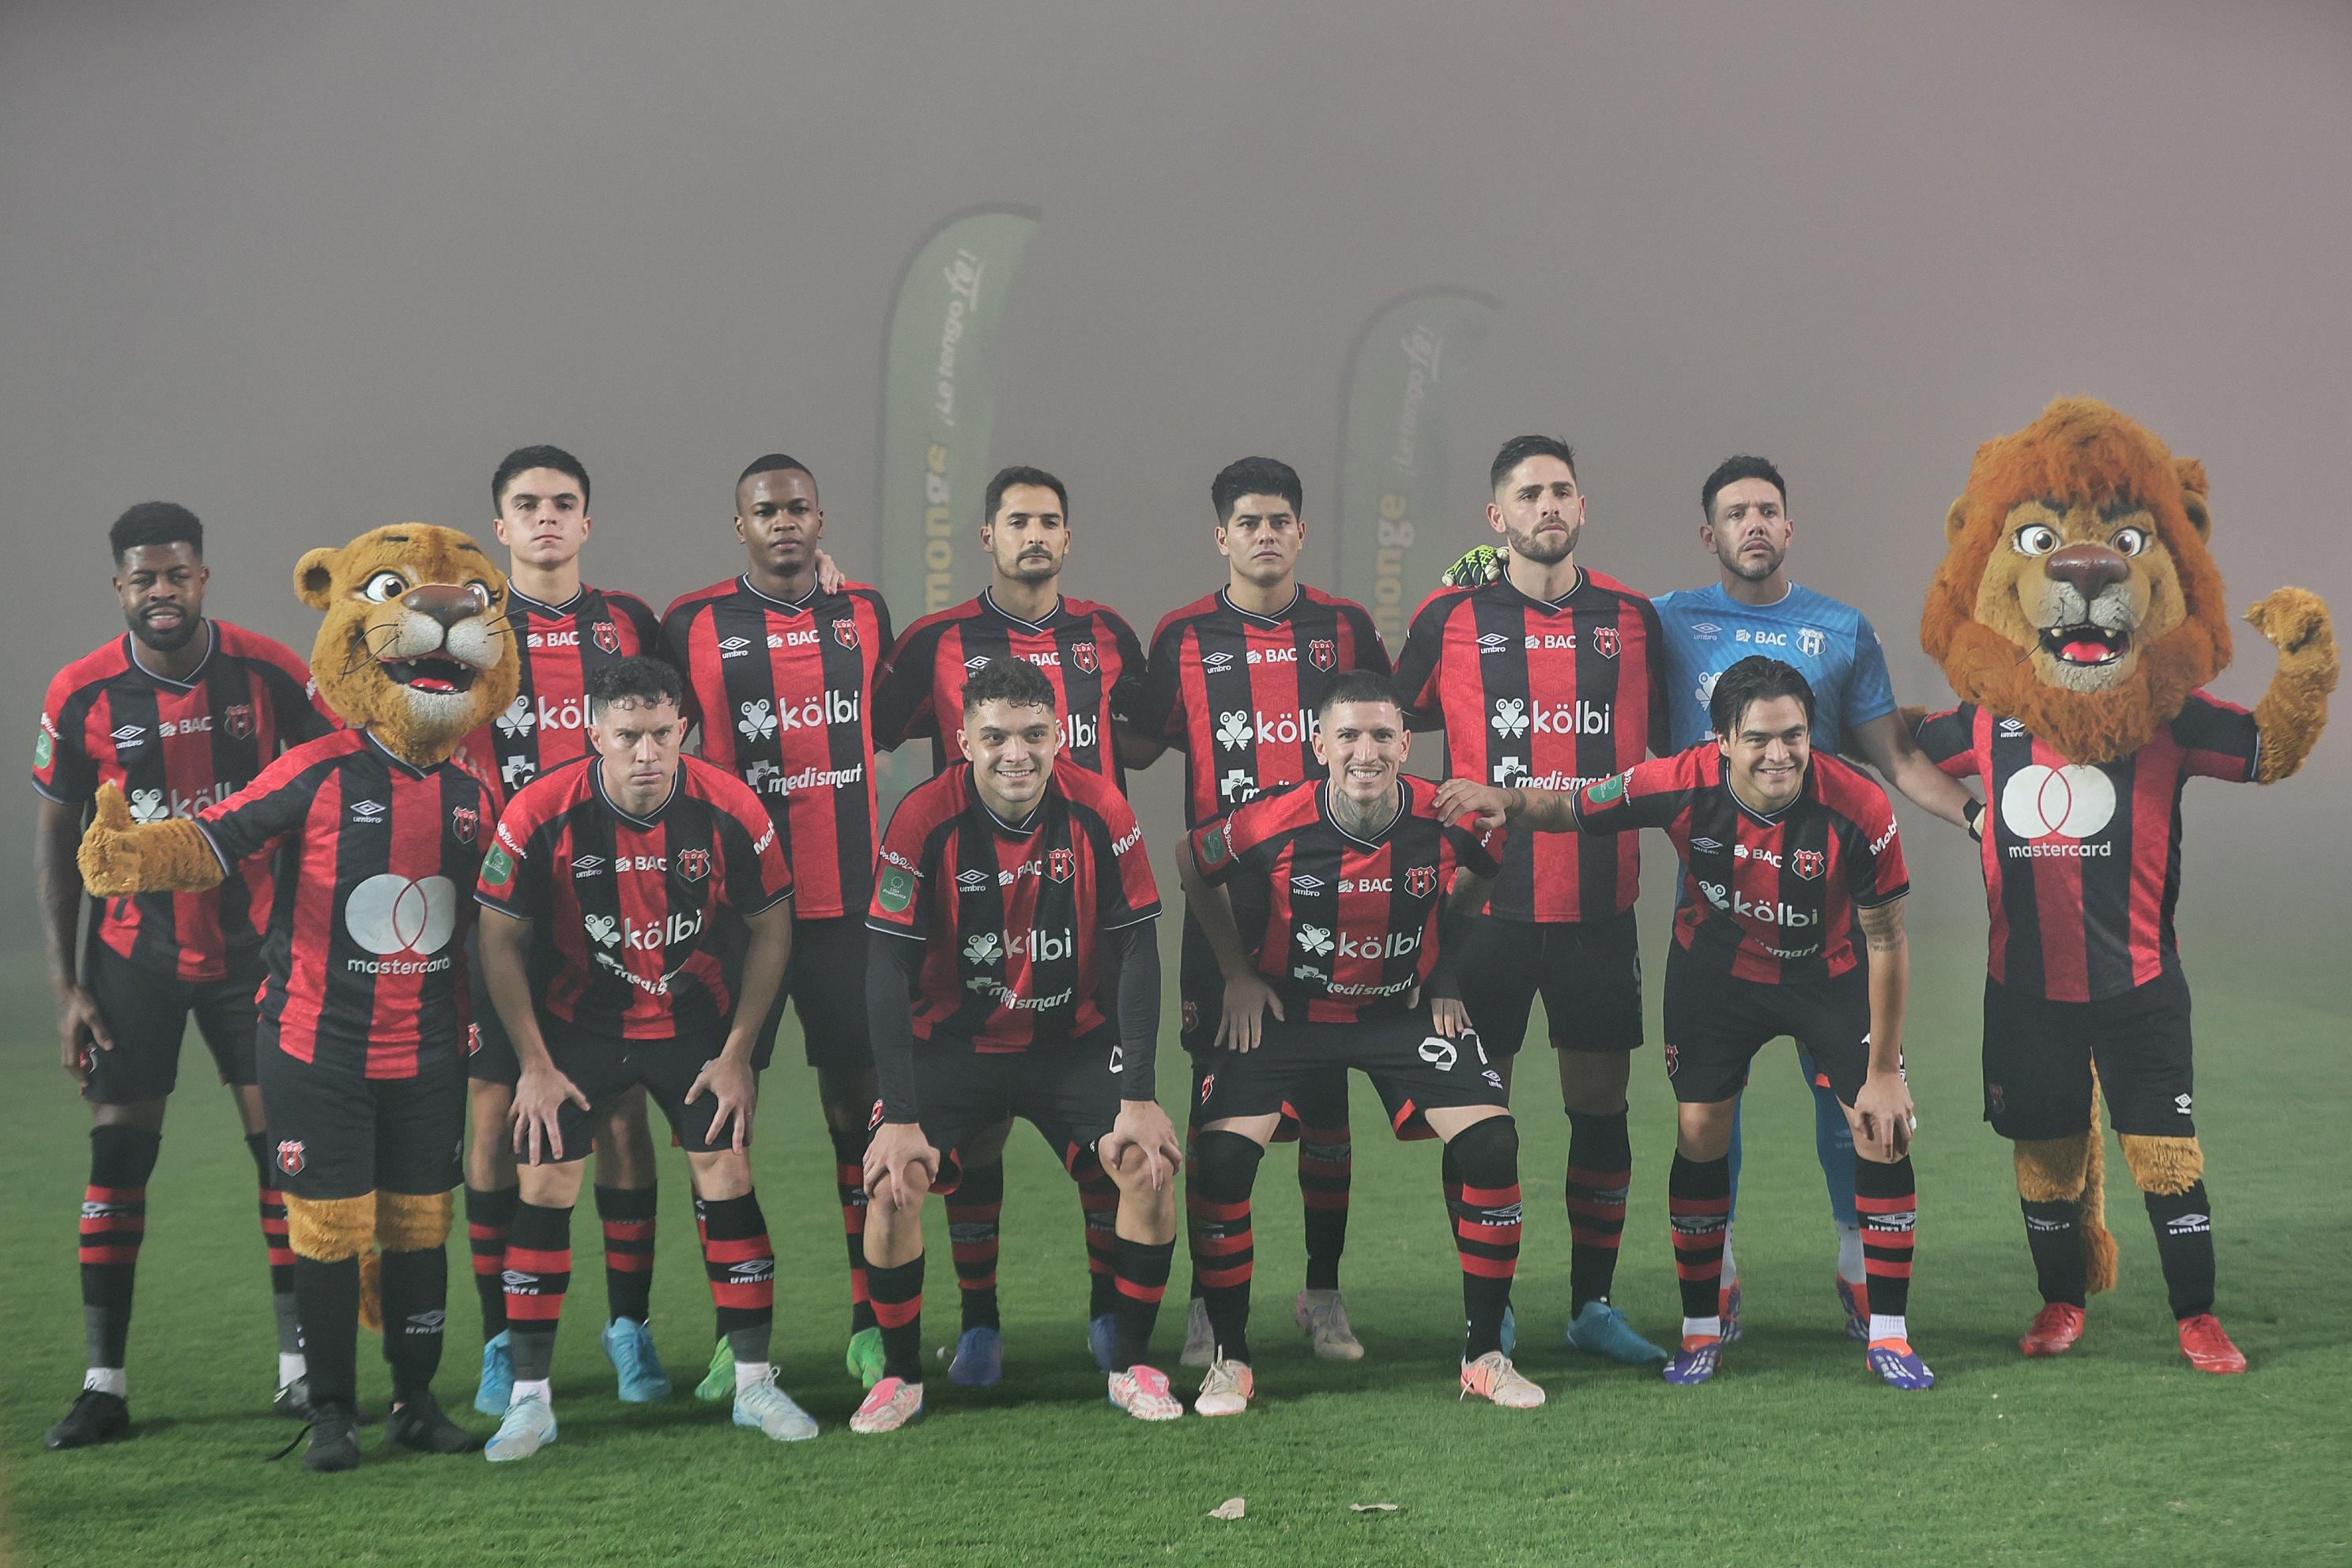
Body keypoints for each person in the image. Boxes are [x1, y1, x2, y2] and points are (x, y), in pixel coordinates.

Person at [1438, 655, 1932, 1389]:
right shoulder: (1678, 780)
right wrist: (1504, 799)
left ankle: (1889, 1334)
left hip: (1828, 976)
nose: (1780, 753)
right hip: (1718, 977)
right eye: (1759, 738)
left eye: (1794, 735)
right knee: (1700, 1131)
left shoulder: (1860, 806)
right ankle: (1702, 1329)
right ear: (1722, 740)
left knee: (1881, 1127)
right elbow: (1574, 806)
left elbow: (1888, 939)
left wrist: (1886, 1072)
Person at [1651, 456, 1975, 1340]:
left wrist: (1979, 816)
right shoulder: (1669, 621)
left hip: (1830, 916)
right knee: (1711, 1104)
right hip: (1716, 903)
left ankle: (1854, 1257)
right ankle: (1713, 1268)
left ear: (1790, 528)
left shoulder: (1840, 628)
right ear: (1709, 534)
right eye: (1735, 512)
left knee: (1855, 1096)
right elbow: (1580, 635)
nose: (1753, 524)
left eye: (1767, 510)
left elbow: (1897, 760)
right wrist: (1495, 577)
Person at [35, 502, 336, 1448]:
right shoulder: (81, 693)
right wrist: (66, 985)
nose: (160, 592)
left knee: (278, 1152)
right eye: (142, 578)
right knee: (120, 1156)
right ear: (119, 586)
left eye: (175, 575)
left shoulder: (270, 672)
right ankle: (104, 1383)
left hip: (253, 953)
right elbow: (55, 838)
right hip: (132, 960)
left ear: (203, 577)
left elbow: (333, 780)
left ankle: (299, 1371)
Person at [1178, 671, 1541, 1413]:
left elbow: (1481, 874)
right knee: (1218, 1158)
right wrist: (1237, 974)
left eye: (1382, 735)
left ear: (1406, 744)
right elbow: (1192, 861)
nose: (1366, 751)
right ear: (1319, 745)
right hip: (1291, 1016)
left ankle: (1484, 1355)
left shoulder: (1451, 818)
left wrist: (1443, 970)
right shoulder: (1272, 820)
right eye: (1348, 735)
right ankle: (1230, 1359)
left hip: (1396, 1014)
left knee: (1493, 1145)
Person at [473, 657, 810, 1459]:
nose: (647, 753)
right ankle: (530, 1400)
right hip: (576, 1025)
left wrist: (741, 1055)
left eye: (662, 733)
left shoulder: (731, 807)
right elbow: (496, 937)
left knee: (726, 1172)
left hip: (695, 1024)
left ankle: (756, 1383)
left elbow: (773, 928)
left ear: (683, 730)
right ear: (595, 734)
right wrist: (532, 1063)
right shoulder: (539, 811)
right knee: (547, 1177)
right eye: (628, 736)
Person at [1391, 435, 1669, 1366]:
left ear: (1581, 507)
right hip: (1481, 912)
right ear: (1496, 516)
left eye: (1560, 491)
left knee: (1601, 1104)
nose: (1546, 506)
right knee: (1480, 1111)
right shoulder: (1449, 619)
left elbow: (1659, 760)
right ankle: (1492, 1306)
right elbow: (1389, 732)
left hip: (1600, 908)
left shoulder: (1633, 618)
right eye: (1527, 493)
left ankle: (1592, 1305)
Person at [853, 658, 1182, 1432]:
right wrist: (899, 1114)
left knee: (1151, 1163)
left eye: (1034, 734)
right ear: (963, 738)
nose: (1016, 753)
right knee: (893, 1176)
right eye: (995, 735)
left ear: (1060, 734)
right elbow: (884, 971)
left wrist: (1138, 1096)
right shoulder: (921, 818)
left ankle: (1131, 1359)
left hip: (1071, 1040)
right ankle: (899, 1377)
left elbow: (1139, 950)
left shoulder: (1101, 806)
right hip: (955, 1045)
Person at [871, 465, 1150, 1374]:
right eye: (1017, 520)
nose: (1035, 533)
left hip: (1082, 911)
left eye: (1050, 521)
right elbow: (870, 724)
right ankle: (979, 1323)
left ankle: (1115, 1321)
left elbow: (1148, 733)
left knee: (1106, 1149)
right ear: (985, 536)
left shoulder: (1107, 634)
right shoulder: (932, 642)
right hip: (970, 913)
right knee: (973, 1137)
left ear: (1069, 538)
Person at [1126, 457, 1389, 1367]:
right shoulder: (1181, 637)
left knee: (1325, 1106)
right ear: (1222, 536)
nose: (1265, 534)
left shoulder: (1345, 627)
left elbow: (1391, 722)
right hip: (1224, 920)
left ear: (1300, 533)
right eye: (1249, 521)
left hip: (1330, 908)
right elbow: (1129, 736)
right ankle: (1208, 1302)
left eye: (1281, 519)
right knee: (1220, 1111)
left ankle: (1323, 1295)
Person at [662, 453, 895, 1396]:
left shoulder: (870, 613)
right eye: (767, 511)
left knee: (858, 1116)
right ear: (741, 527)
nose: (786, 522)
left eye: (800, 507)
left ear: (822, 518)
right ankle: (736, 1333)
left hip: (847, 912)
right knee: (720, 1125)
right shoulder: (689, 623)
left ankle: (871, 1321)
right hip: (731, 917)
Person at [458, 445, 672, 1417]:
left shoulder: (628, 624)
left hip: (615, 907)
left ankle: (629, 1327)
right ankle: (503, 1340)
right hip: (504, 912)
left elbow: (664, 739)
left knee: (618, 1113)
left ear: (588, 523)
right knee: (495, 1125)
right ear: (498, 526)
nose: (546, 519)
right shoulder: (460, 625)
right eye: (526, 505)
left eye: (564, 504)